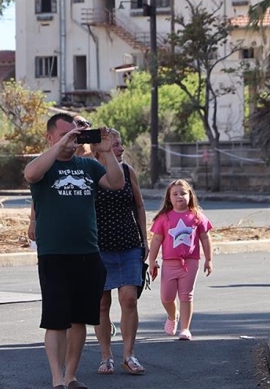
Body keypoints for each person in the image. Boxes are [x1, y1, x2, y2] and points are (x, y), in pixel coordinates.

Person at [24, 113, 125, 389]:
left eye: (75, 135)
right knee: (56, 320)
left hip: (88, 253)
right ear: (50, 137)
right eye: (64, 135)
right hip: (54, 254)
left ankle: (71, 377)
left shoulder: (88, 166)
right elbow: (30, 174)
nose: (71, 140)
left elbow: (117, 183)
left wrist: (107, 153)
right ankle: (57, 378)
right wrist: (60, 147)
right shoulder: (45, 166)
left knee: (80, 318)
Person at [92, 130, 148, 376]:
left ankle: (129, 354)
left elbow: (139, 204)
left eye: (121, 143)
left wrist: (145, 239)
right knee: (102, 303)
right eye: (115, 144)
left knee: (129, 299)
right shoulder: (90, 171)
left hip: (128, 245)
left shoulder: (128, 171)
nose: (121, 148)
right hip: (98, 247)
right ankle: (106, 356)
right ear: (100, 148)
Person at [148, 179, 213, 341]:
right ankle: (172, 316)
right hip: (169, 263)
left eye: (183, 193)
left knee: (186, 296)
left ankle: (185, 328)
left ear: (190, 195)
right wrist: (152, 260)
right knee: (166, 297)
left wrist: (208, 260)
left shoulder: (197, 217)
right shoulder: (164, 218)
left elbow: (205, 238)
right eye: (175, 194)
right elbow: (156, 240)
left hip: (190, 262)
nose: (179, 197)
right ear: (169, 198)